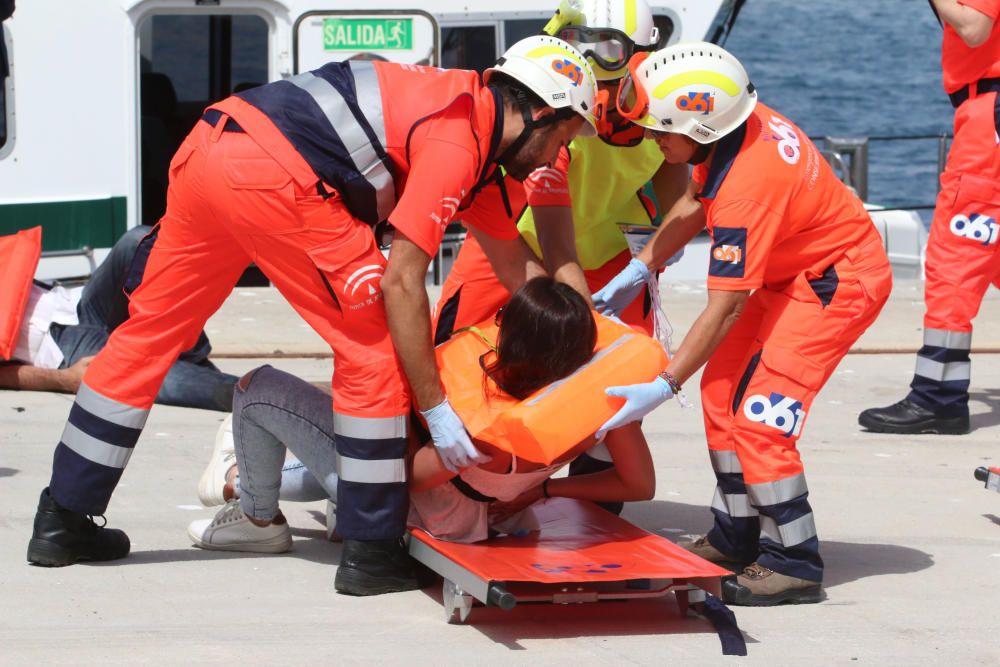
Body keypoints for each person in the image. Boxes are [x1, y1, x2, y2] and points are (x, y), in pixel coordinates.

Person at [26, 36, 598, 598]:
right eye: (563, 139)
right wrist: (436, 409)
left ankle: (63, 519)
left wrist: (594, 341)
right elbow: (403, 281)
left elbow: (514, 264)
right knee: (376, 347)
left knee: (145, 340)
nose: (556, 159)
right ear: (539, 112)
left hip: (210, 148)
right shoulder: (458, 140)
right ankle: (372, 551)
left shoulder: (473, 131)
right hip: (278, 177)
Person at [590, 42, 893, 605]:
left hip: (835, 285)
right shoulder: (733, 129)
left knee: (761, 418)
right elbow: (695, 201)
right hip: (795, 273)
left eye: (660, 132)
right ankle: (736, 534)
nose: (653, 141)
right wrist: (642, 265)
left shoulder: (749, 189)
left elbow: (725, 305)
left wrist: (663, 384)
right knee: (722, 390)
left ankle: (792, 560)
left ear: (699, 127)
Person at [187, 277, 654, 553]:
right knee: (326, 455)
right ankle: (235, 478)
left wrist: (409, 399)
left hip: (406, 508)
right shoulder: (598, 401)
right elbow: (638, 486)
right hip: (493, 518)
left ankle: (255, 516)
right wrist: (546, 487)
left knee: (257, 387)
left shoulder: (483, 424)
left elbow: (400, 477)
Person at [433, 0, 686, 503]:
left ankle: (586, 499)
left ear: (639, 58)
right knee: (447, 352)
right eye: (582, 49)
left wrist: (651, 256)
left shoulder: (661, 116)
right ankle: (442, 470)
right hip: (512, 238)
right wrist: (583, 322)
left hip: (615, 255)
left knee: (617, 381)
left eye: (609, 51)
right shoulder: (563, 117)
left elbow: (679, 195)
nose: (594, 70)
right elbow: (555, 240)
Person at [859, 0, 1000, 435]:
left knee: (954, 263)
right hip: (985, 111)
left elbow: (975, 27)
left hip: (987, 120)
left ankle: (938, 399)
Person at [0, 225, 237, 411]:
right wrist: (64, 379)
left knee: (139, 241)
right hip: (59, 350)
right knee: (151, 378)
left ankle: (191, 350)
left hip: (77, 302)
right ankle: (255, 397)